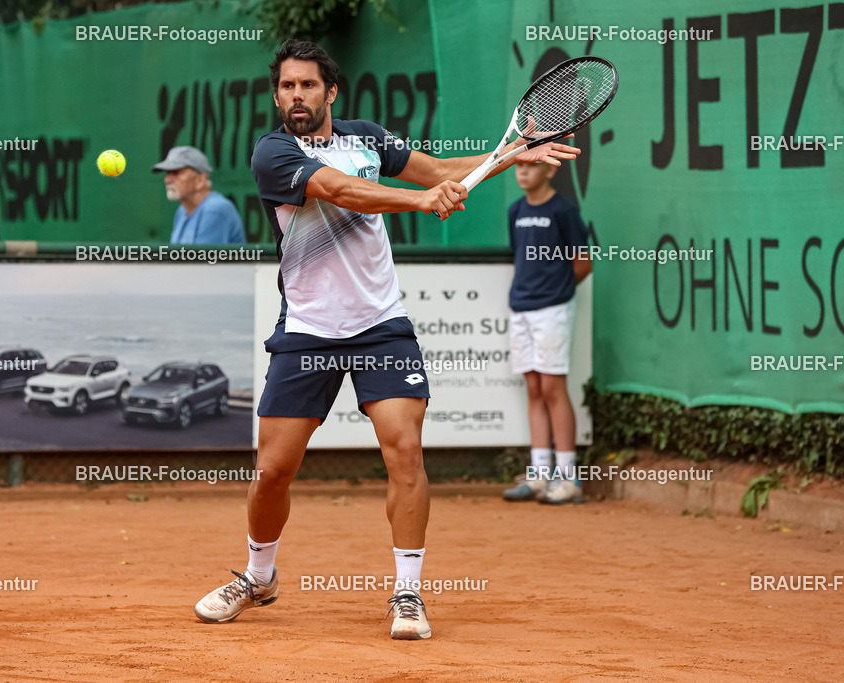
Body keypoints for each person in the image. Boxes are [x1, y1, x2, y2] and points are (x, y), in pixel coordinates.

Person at [193, 39, 580, 639]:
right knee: (272, 471)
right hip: (308, 330)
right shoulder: (273, 152)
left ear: (330, 92)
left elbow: (442, 172)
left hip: (380, 326)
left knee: (405, 453)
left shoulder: (368, 139)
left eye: (308, 85)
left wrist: (509, 154)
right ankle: (258, 576)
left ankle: (407, 593)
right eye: (287, 86)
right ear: (277, 96)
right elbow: (341, 191)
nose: (296, 95)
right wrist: (421, 201)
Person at [502, 162, 592, 505]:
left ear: (550, 171)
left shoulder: (564, 211)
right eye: (519, 165)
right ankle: (539, 474)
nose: (522, 171)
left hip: (553, 310)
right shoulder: (515, 211)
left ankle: (568, 478)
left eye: (531, 165)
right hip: (520, 309)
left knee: (553, 387)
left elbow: (583, 262)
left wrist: (556, 293)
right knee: (534, 387)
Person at [152, 146, 245, 244]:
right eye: (167, 173)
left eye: (176, 172)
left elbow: (204, 254)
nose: (167, 180)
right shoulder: (182, 211)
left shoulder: (215, 210)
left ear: (200, 180)